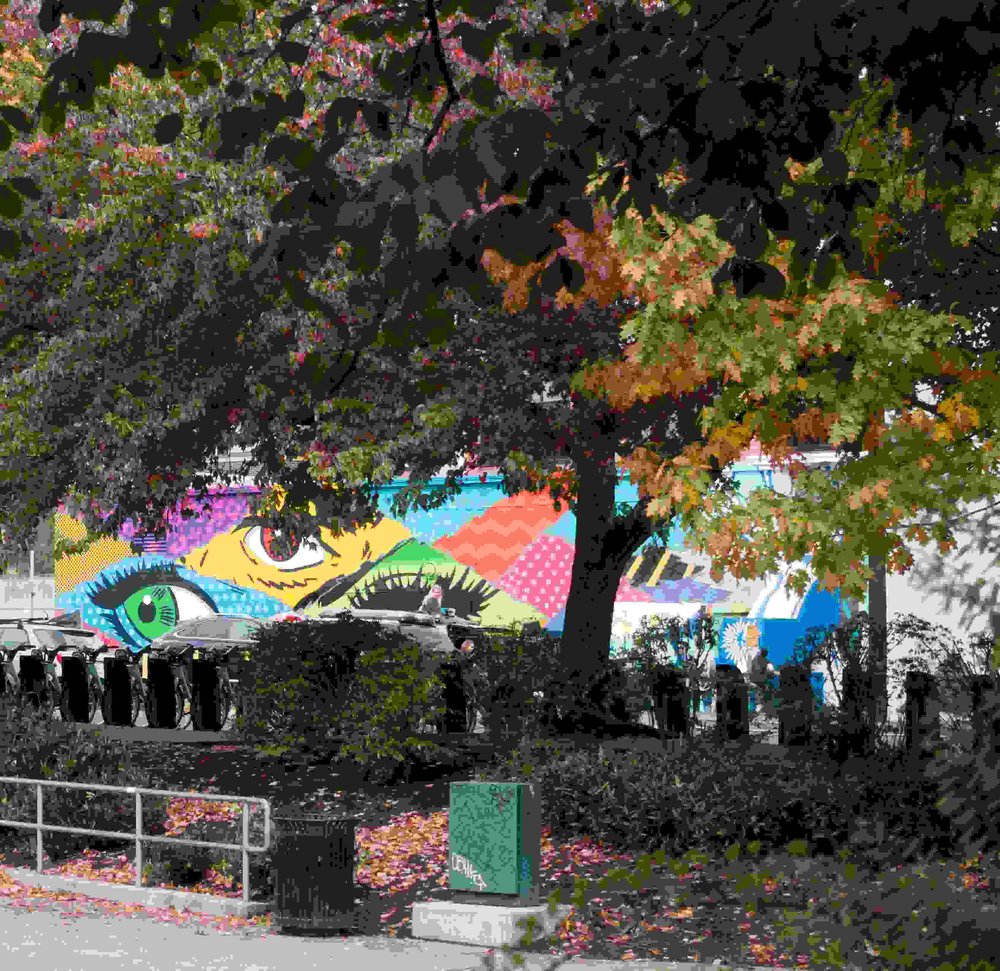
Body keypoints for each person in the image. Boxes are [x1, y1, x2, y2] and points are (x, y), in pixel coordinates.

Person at [748, 647, 774, 716]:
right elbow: (770, 671)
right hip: (759, 683)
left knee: (754, 698)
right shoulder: (765, 662)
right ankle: (755, 711)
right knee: (758, 699)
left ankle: (753, 712)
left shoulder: (755, 659)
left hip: (754, 682)